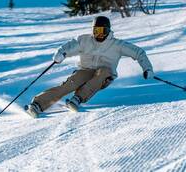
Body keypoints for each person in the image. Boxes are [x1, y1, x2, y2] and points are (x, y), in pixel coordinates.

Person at [25, 16, 154, 117]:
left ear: (108, 31)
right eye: (96, 31)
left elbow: (139, 53)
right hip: (85, 71)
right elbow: (71, 46)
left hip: (105, 76)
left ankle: (77, 99)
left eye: (102, 31)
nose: (99, 34)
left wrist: (147, 68)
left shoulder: (117, 45)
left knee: (103, 71)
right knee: (70, 83)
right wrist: (61, 53)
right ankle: (37, 104)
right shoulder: (84, 40)